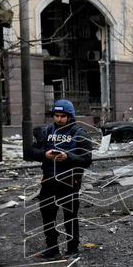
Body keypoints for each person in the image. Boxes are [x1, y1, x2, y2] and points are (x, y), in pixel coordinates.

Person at [29, 100, 93, 256]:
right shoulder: (46, 132)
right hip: (49, 180)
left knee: (70, 217)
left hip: (70, 182)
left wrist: (68, 157)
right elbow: (31, 153)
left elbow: (86, 160)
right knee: (47, 216)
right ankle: (52, 249)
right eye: (56, 116)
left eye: (62, 116)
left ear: (70, 116)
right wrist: (44, 155)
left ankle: (72, 249)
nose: (58, 119)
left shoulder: (79, 134)